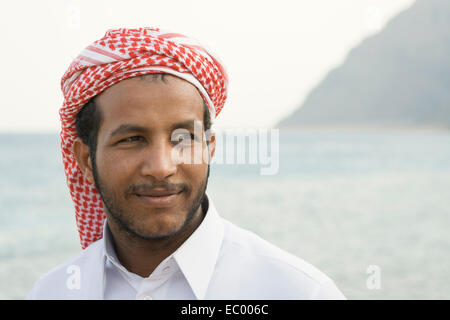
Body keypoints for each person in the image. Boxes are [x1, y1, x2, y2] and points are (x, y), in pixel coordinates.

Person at [27, 27, 346, 300]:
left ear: (209, 148)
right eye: (132, 139)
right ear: (84, 158)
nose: (162, 167)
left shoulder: (297, 291)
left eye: (183, 138)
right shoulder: (53, 292)